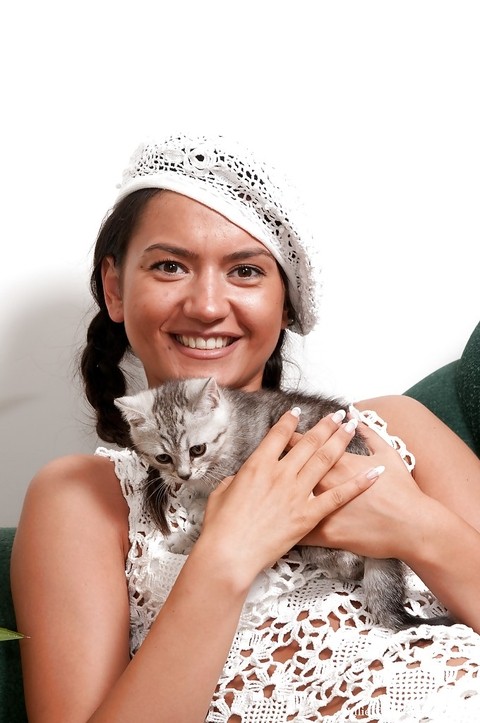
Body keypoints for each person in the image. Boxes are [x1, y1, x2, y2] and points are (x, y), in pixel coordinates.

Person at [10, 133, 480, 723]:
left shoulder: (394, 427)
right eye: (170, 265)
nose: (208, 305)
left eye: (246, 271)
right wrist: (226, 554)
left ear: (285, 304)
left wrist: (416, 525)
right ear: (114, 288)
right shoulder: (82, 498)